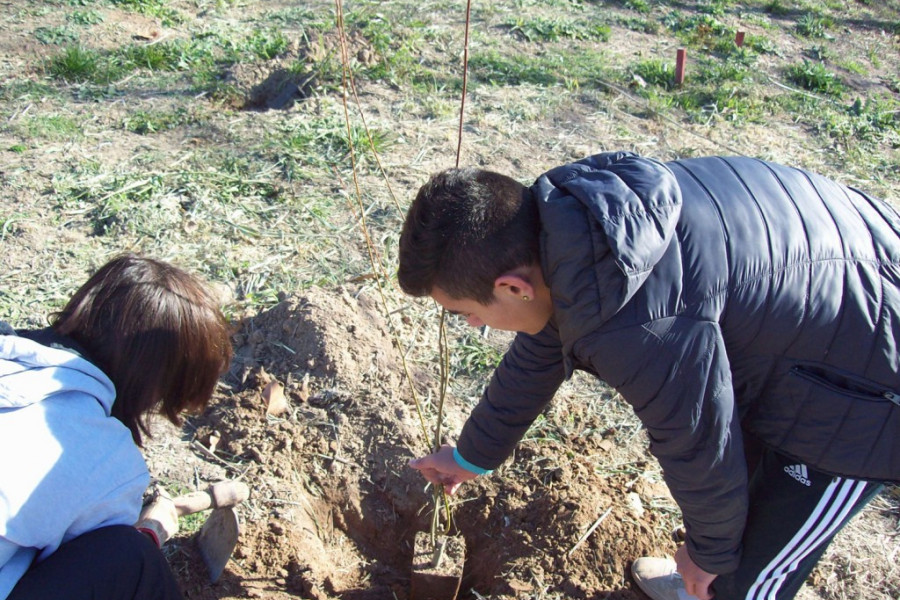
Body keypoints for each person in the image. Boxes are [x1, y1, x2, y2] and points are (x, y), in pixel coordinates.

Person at [398, 151, 900, 600]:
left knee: (747, 577)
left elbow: (699, 441)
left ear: (512, 287)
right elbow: (543, 348)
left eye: (464, 312)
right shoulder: (582, 231)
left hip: (867, 393)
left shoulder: (641, 324)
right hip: (838, 285)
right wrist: (473, 455)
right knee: (734, 515)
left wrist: (708, 556)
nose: (473, 324)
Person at [0, 254, 233, 600]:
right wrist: (151, 532)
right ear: (157, 383)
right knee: (131, 558)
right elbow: (93, 566)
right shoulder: (106, 458)